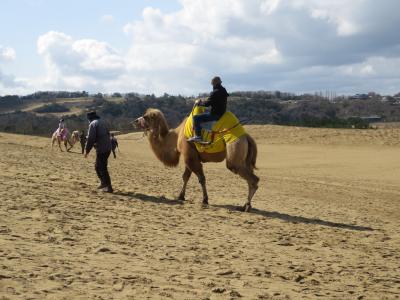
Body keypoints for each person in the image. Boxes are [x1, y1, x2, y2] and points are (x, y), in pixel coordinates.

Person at [188, 76, 229, 143]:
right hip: (222, 114)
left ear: (214, 83)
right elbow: (213, 101)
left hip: (215, 115)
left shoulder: (215, 92)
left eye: (212, 84)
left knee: (196, 118)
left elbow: (207, 104)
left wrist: (199, 103)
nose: (212, 85)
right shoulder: (223, 90)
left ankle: (198, 137)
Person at [84, 111, 113, 193]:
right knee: (101, 166)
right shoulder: (102, 121)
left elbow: (91, 139)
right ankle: (107, 186)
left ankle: (105, 184)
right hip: (108, 147)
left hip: (102, 148)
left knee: (100, 167)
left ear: (89, 118)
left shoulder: (93, 124)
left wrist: (87, 150)